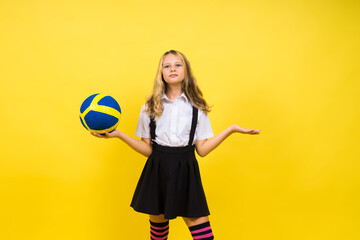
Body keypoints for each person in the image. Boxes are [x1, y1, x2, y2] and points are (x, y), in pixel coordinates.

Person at [91, 50, 261, 239]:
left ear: (186, 70)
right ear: (161, 73)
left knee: (204, 235)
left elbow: (202, 150)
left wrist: (231, 129)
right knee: (158, 234)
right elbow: (147, 150)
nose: (172, 68)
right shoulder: (150, 106)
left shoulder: (197, 106)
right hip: (157, 169)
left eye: (178, 65)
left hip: (186, 168)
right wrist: (119, 135)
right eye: (167, 65)